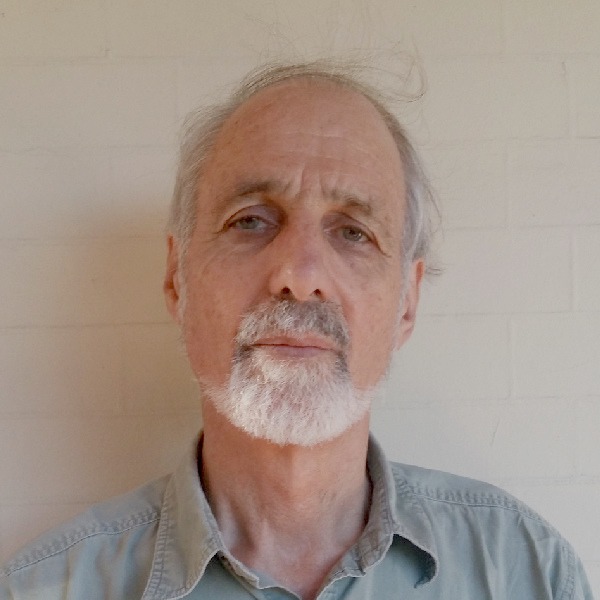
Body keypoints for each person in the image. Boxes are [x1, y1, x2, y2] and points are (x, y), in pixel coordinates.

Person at [0, 61, 594, 600]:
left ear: (407, 303)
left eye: (354, 232)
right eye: (250, 221)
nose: (299, 276)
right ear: (177, 280)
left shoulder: (526, 573)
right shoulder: (45, 590)